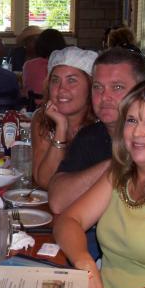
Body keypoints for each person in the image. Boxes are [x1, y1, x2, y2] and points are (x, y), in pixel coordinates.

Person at [54, 80, 145, 288]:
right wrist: (85, 263)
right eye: (132, 120)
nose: (137, 132)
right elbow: (67, 220)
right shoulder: (119, 175)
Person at [48, 47, 145, 214]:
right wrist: (116, 164)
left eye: (117, 87)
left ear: (142, 91)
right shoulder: (90, 136)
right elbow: (58, 201)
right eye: (98, 87)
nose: (104, 96)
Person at [31, 46, 98, 189]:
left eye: (72, 80)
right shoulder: (42, 118)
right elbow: (45, 181)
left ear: (90, 86)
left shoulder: (102, 125)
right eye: (55, 80)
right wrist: (61, 128)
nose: (61, 89)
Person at [22, 28, 66, 98]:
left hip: (31, 106)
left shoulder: (28, 65)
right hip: (52, 105)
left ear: (39, 45)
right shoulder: (63, 66)